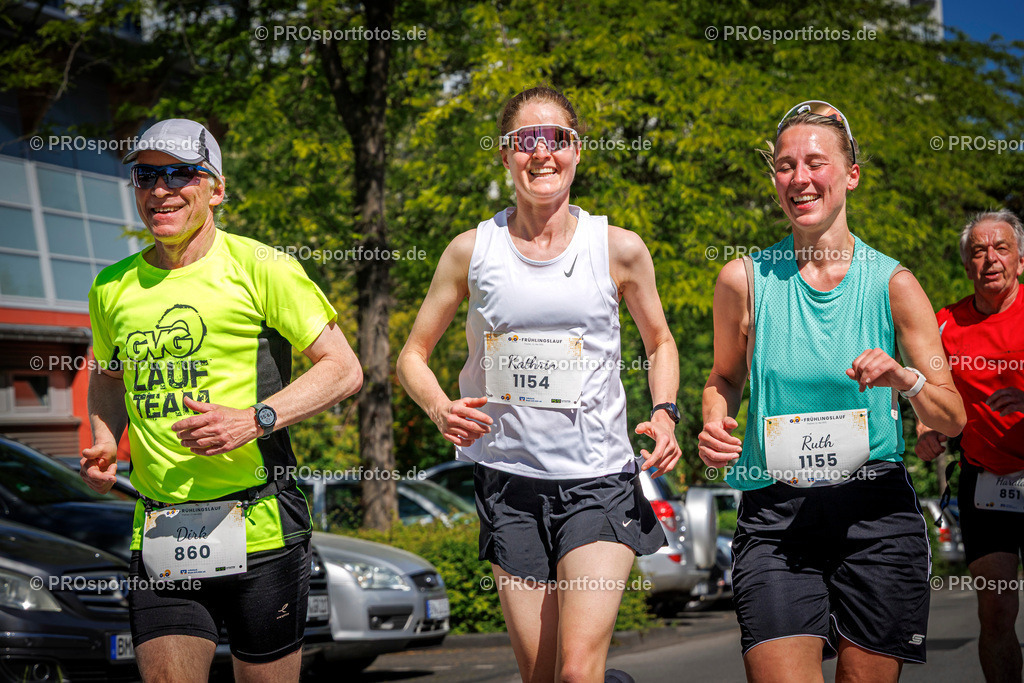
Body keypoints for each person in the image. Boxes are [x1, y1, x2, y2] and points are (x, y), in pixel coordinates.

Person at [397, 86, 680, 683]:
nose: (542, 153)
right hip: (510, 485)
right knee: (541, 676)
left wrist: (666, 412)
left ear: (577, 152)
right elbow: (412, 356)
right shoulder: (472, 251)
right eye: (526, 141)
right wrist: (438, 406)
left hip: (599, 482)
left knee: (577, 672)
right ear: (505, 155)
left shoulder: (618, 248)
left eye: (557, 139)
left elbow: (659, 341)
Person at [80, 119, 362, 682]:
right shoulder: (111, 287)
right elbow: (110, 376)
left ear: (216, 188)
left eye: (181, 173)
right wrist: (107, 442)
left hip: (259, 524)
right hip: (163, 527)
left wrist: (256, 420)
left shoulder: (263, 267)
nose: (160, 189)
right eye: (146, 175)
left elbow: (343, 369)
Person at [697, 100, 966, 682]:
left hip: (875, 514)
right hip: (776, 513)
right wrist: (714, 422)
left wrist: (904, 379)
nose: (799, 178)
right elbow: (724, 377)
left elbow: (951, 418)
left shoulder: (893, 284)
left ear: (851, 174)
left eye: (815, 162)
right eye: (785, 165)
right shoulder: (742, 279)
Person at [916, 210, 1024, 683]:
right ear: (967, 265)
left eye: (1001, 248)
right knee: (996, 613)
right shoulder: (945, 324)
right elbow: (929, 395)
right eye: (978, 251)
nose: (990, 259)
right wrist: (927, 429)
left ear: (1020, 260)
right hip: (986, 484)